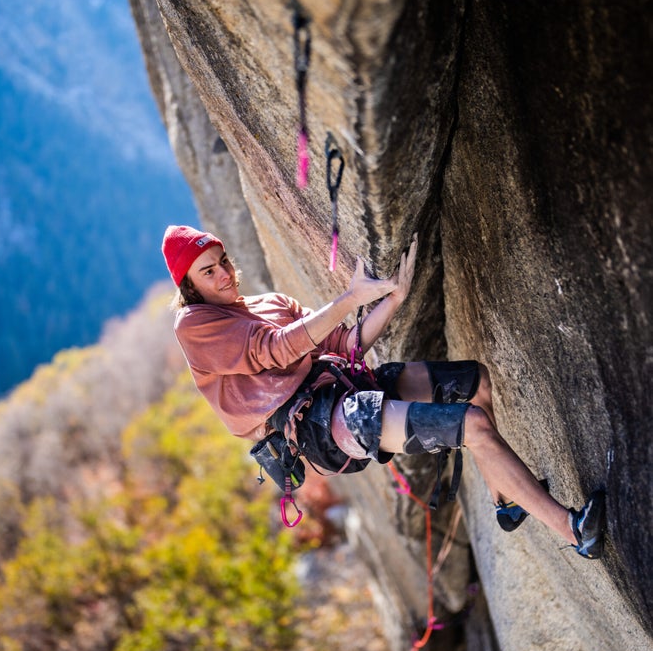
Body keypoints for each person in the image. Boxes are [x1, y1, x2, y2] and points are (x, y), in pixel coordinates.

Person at [162, 224, 605, 557]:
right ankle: (574, 531)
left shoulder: (270, 304)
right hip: (322, 425)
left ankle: (506, 500)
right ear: (189, 285)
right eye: (208, 270)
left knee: (475, 381)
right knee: (473, 425)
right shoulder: (195, 325)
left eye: (223, 261)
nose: (223, 274)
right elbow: (276, 350)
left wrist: (394, 299)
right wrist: (349, 299)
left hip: (344, 389)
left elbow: (346, 344)